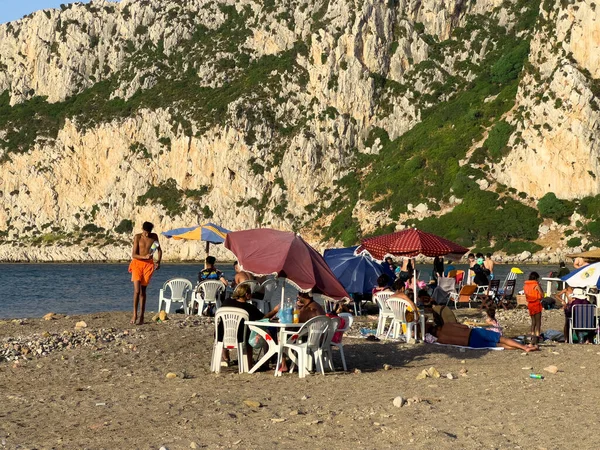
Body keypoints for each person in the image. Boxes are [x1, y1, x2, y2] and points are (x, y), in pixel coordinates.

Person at [219, 284, 265, 368]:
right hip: (240, 337)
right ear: (247, 294)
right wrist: (275, 310)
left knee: (224, 327)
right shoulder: (249, 308)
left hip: (221, 335)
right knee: (248, 335)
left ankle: (225, 358)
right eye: (250, 293)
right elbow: (263, 317)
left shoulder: (227, 301)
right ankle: (248, 364)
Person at [128, 221, 161, 325]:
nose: (147, 234)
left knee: (143, 291)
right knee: (137, 291)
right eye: (145, 232)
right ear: (142, 229)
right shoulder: (137, 237)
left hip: (148, 266)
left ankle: (142, 316)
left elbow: (159, 250)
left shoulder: (154, 236)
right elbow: (134, 254)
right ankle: (134, 314)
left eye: (148, 232)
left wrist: (158, 261)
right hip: (137, 264)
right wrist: (144, 257)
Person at [435, 322, 539, 351]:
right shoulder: (447, 325)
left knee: (498, 344)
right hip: (473, 333)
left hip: (470, 343)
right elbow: (463, 326)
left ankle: (522, 348)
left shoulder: (441, 340)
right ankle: (525, 347)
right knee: (502, 339)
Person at [524, 272, 544, 345]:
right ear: (536, 278)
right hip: (536, 303)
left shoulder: (526, 285)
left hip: (530, 304)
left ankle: (532, 336)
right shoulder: (536, 285)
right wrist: (539, 286)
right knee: (538, 322)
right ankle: (537, 337)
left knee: (533, 322)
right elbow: (542, 294)